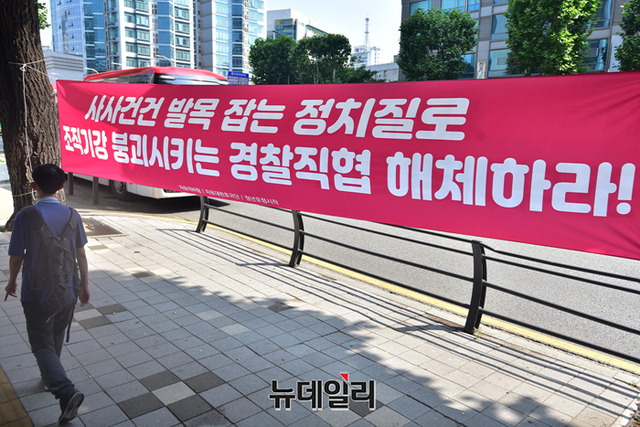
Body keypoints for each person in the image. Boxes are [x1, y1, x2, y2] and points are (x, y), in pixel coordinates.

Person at [4, 164, 90, 425]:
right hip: (68, 290)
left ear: (34, 186)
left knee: (41, 344)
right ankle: (50, 376)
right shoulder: (73, 215)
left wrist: (11, 282)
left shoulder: (26, 216)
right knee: (55, 336)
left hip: (36, 293)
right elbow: (81, 254)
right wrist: (84, 286)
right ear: (62, 186)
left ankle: (64, 390)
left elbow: (16, 256)